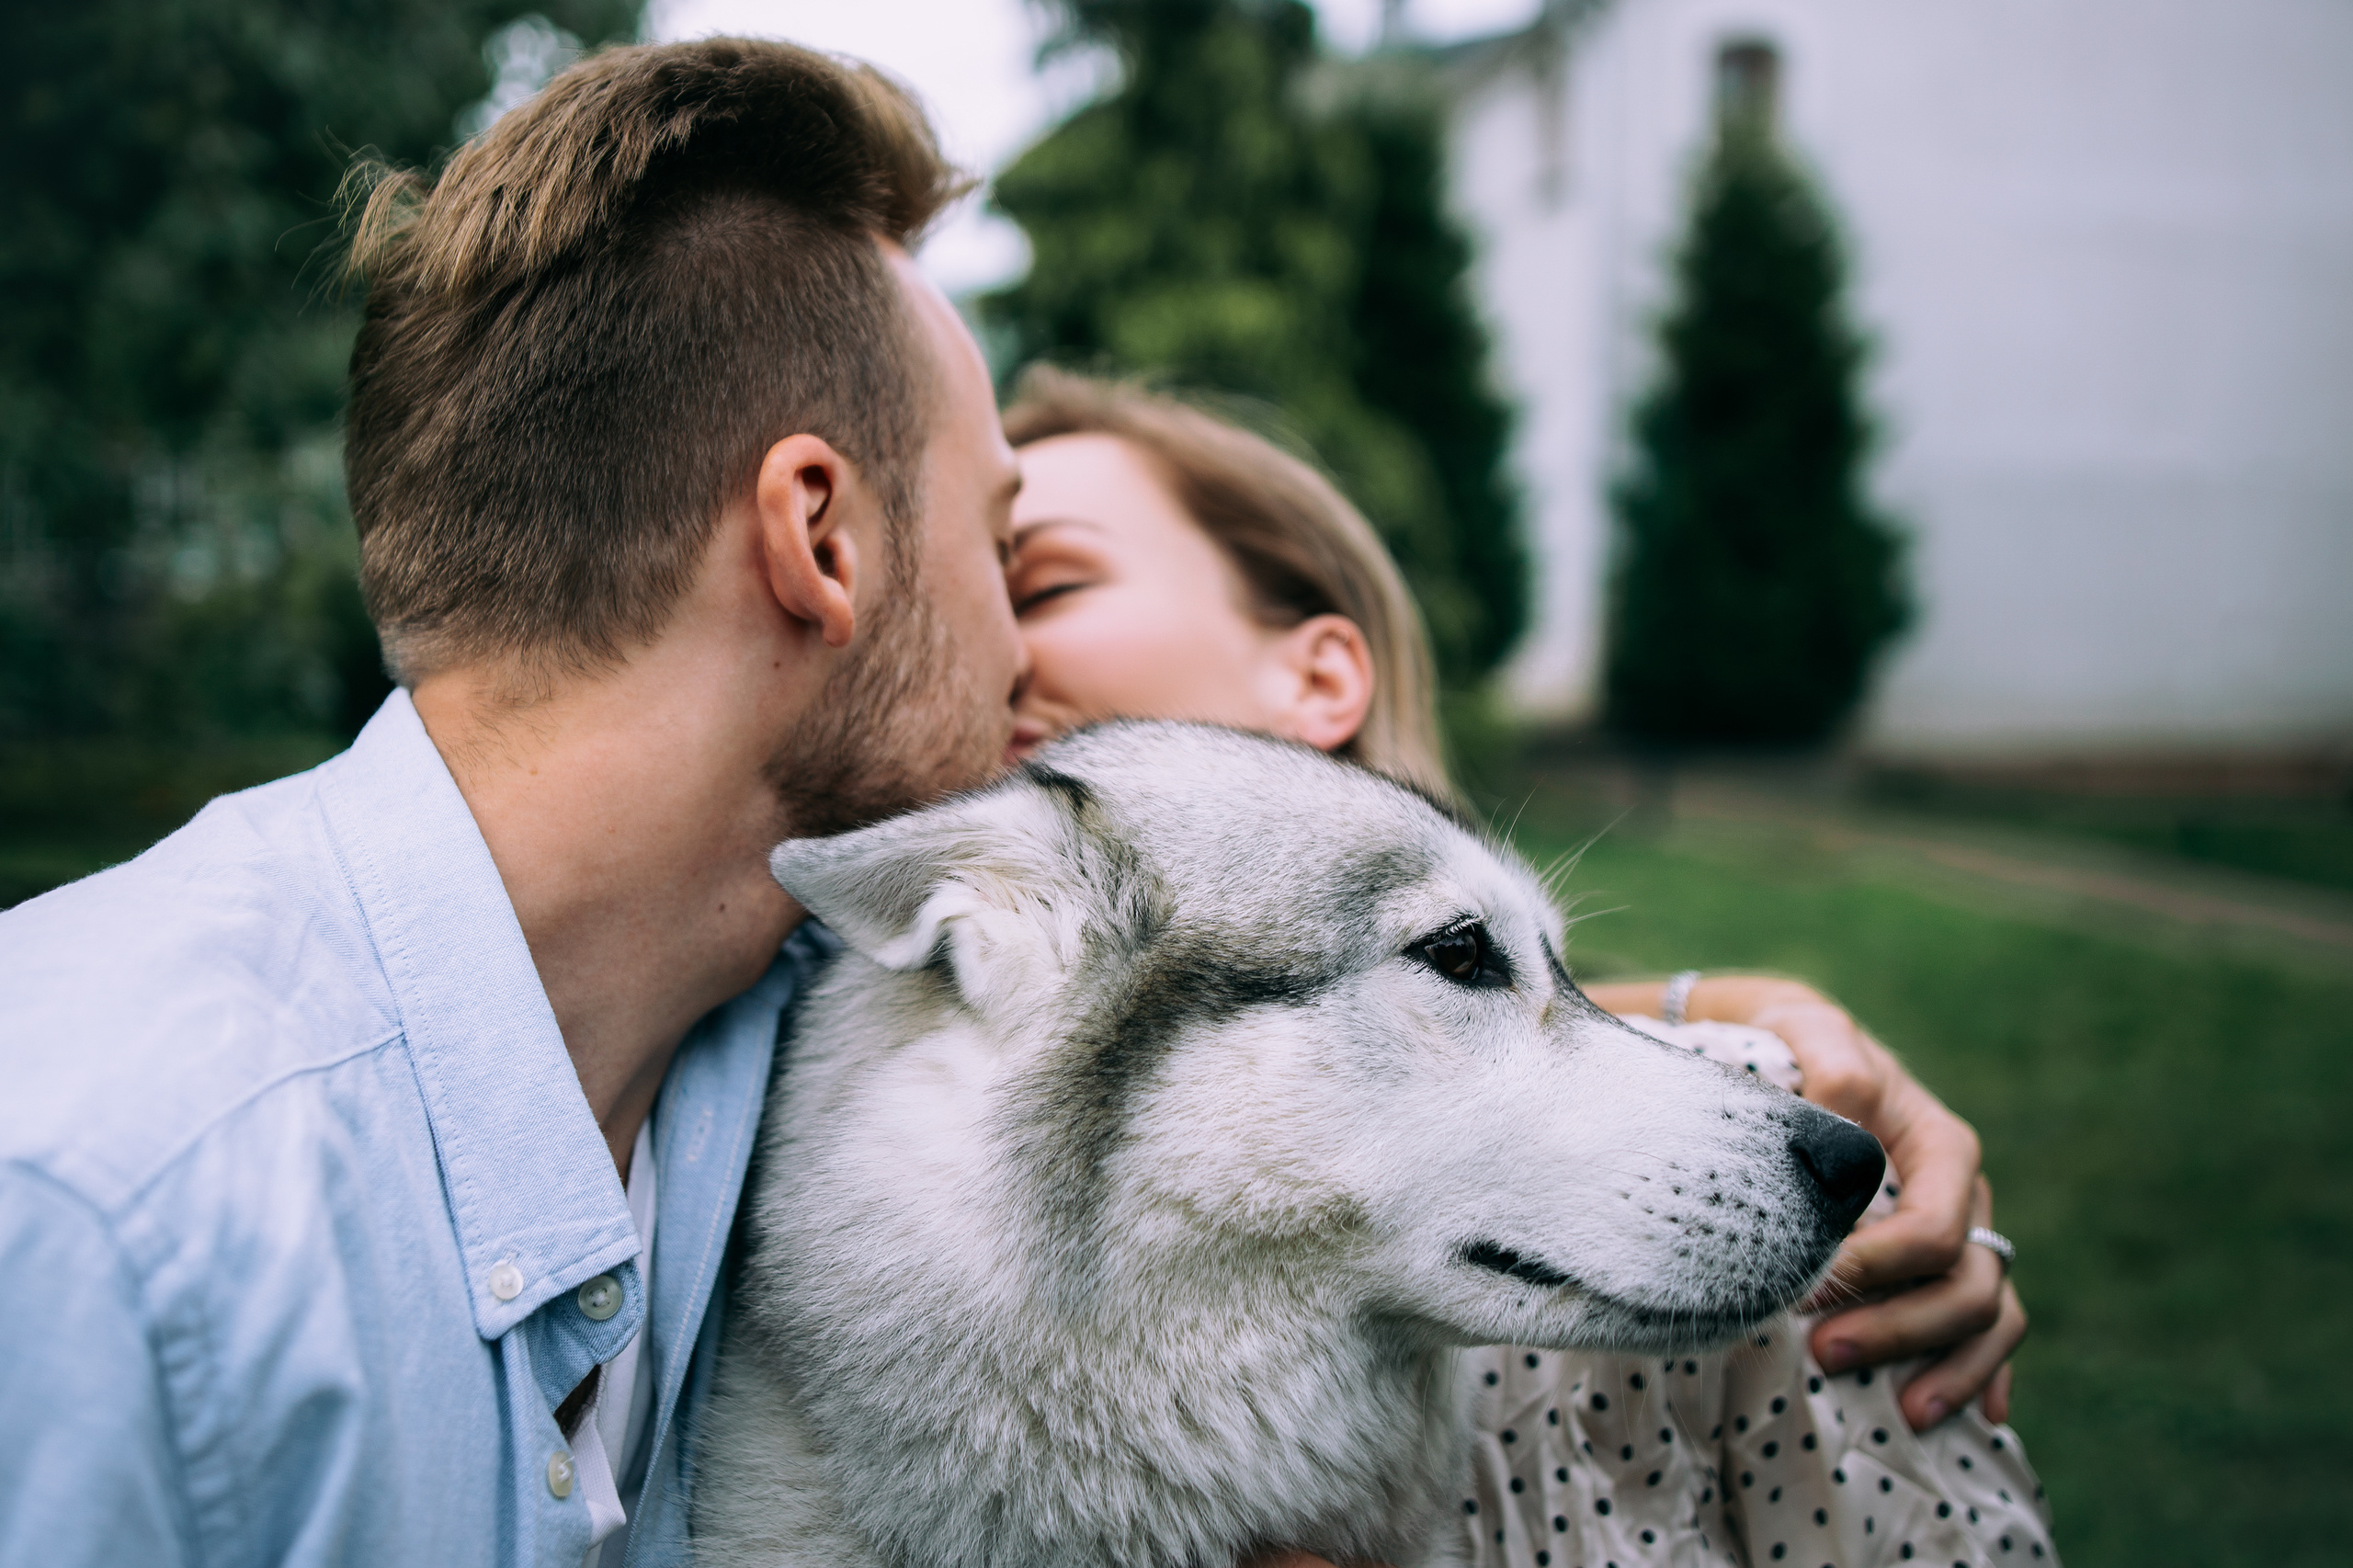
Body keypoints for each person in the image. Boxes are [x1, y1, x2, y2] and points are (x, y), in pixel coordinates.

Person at [0, 39, 1028, 1567]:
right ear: (820, 534)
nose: (1026, 646)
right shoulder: (99, 1212)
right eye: (1005, 542)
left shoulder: (823, 1052)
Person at [996, 368, 2047, 1565]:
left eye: (1043, 581)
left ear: (1320, 677)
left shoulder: (1724, 1164)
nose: (982, 639)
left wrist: (1742, 1036)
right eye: (958, 588)